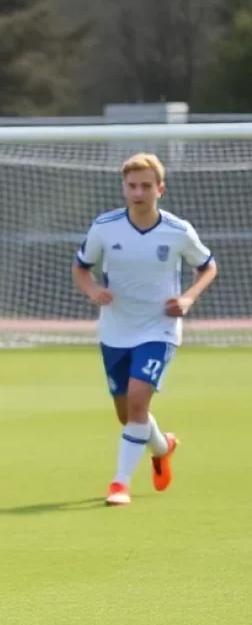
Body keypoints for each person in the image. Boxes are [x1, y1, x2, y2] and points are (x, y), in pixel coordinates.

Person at [72, 152, 218, 506]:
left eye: (146, 186)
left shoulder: (178, 230)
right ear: (124, 188)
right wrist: (93, 290)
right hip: (115, 330)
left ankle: (119, 484)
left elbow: (208, 266)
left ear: (160, 189)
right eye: (132, 186)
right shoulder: (105, 227)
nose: (138, 192)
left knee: (138, 404)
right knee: (127, 415)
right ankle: (163, 446)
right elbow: (81, 267)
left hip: (159, 329)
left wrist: (187, 300)